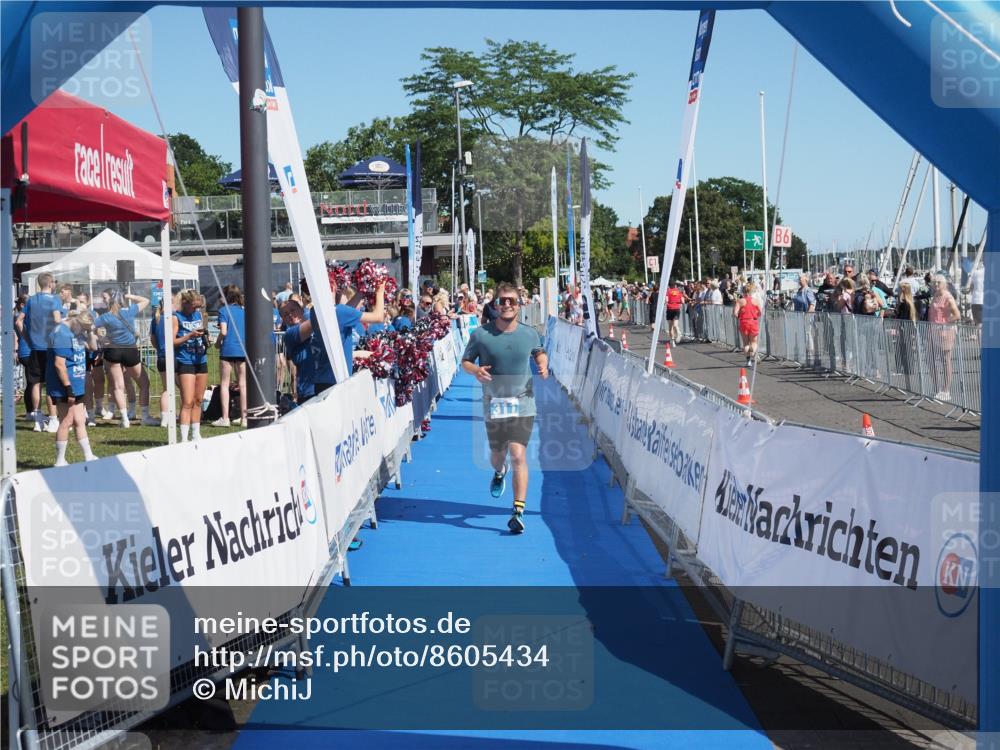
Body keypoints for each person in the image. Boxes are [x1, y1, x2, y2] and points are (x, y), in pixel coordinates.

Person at [461, 282, 549, 534]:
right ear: (495, 305)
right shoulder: (481, 334)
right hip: (494, 403)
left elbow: (539, 352)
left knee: (519, 454)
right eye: (503, 301)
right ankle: (499, 472)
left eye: (512, 300)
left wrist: (543, 364)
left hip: (523, 402)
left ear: (520, 305)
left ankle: (518, 511)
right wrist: (476, 370)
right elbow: (466, 361)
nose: (507, 304)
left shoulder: (529, 333)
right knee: (498, 454)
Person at [95, 290, 156, 427]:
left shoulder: (105, 317)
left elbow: (90, 325)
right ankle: (145, 416)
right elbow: (145, 300)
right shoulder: (129, 311)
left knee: (117, 386)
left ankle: (124, 419)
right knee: (144, 383)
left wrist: (101, 338)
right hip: (130, 350)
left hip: (113, 350)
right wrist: (131, 296)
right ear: (122, 301)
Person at [46, 310, 99, 466]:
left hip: (77, 382)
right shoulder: (62, 334)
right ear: (76, 322)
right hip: (64, 385)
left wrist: (89, 331)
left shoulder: (77, 331)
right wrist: (68, 388)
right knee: (67, 420)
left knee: (80, 419)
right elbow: (59, 364)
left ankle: (88, 455)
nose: (83, 331)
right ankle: (60, 459)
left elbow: (93, 347)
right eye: (83, 328)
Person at [18, 272, 62, 432]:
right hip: (49, 347)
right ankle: (53, 419)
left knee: (35, 384)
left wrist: (28, 339)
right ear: (50, 283)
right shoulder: (55, 300)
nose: (56, 284)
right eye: (55, 281)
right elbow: (57, 320)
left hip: (35, 348)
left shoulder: (31, 300)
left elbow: (18, 321)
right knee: (51, 384)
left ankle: (37, 419)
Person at [173, 289, 210, 441]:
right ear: (185, 303)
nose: (196, 309)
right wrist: (189, 335)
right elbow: (172, 341)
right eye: (194, 306)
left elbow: (203, 330)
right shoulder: (176, 317)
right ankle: (183, 437)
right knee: (187, 401)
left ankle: (196, 433)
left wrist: (206, 337)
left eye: (198, 306)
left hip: (200, 359)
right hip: (185, 360)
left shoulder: (198, 315)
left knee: (198, 399)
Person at [213, 286, 248, 428]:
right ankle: (245, 418)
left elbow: (224, 331)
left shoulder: (222, 311)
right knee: (243, 384)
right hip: (242, 349)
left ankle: (225, 418)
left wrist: (217, 342)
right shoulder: (244, 311)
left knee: (225, 384)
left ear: (226, 296)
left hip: (227, 349)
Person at [927, 274, 960, 401]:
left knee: (946, 360)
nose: (936, 285)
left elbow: (957, 315)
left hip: (945, 331)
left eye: (938, 283)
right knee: (930, 359)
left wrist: (945, 322)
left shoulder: (948, 297)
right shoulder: (935, 296)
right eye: (934, 283)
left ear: (944, 284)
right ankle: (937, 388)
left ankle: (946, 390)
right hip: (932, 330)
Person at [148, 297, 172, 427]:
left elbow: (152, 339)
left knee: (166, 389)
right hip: (174, 356)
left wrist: (158, 348)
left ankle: (164, 418)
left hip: (161, 356)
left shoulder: (155, 320)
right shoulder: (173, 318)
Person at [734, 281, 762, 366]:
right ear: (751, 291)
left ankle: (748, 361)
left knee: (746, 343)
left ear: (743, 291)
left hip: (744, 322)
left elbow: (735, 313)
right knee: (754, 342)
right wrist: (756, 315)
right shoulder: (756, 301)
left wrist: (740, 316)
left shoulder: (740, 301)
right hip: (753, 321)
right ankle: (754, 355)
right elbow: (761, 312)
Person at [665, 280, 684, 346]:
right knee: (675, 324)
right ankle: (678, 333)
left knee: (670, 327)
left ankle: (672, 341)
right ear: (675, 285)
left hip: (670, 309)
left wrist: (667, 303)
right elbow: (682, 301)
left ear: (669, 285)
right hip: (676, 308)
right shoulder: (679, 291)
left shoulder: (668, 291)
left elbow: (666, 300)